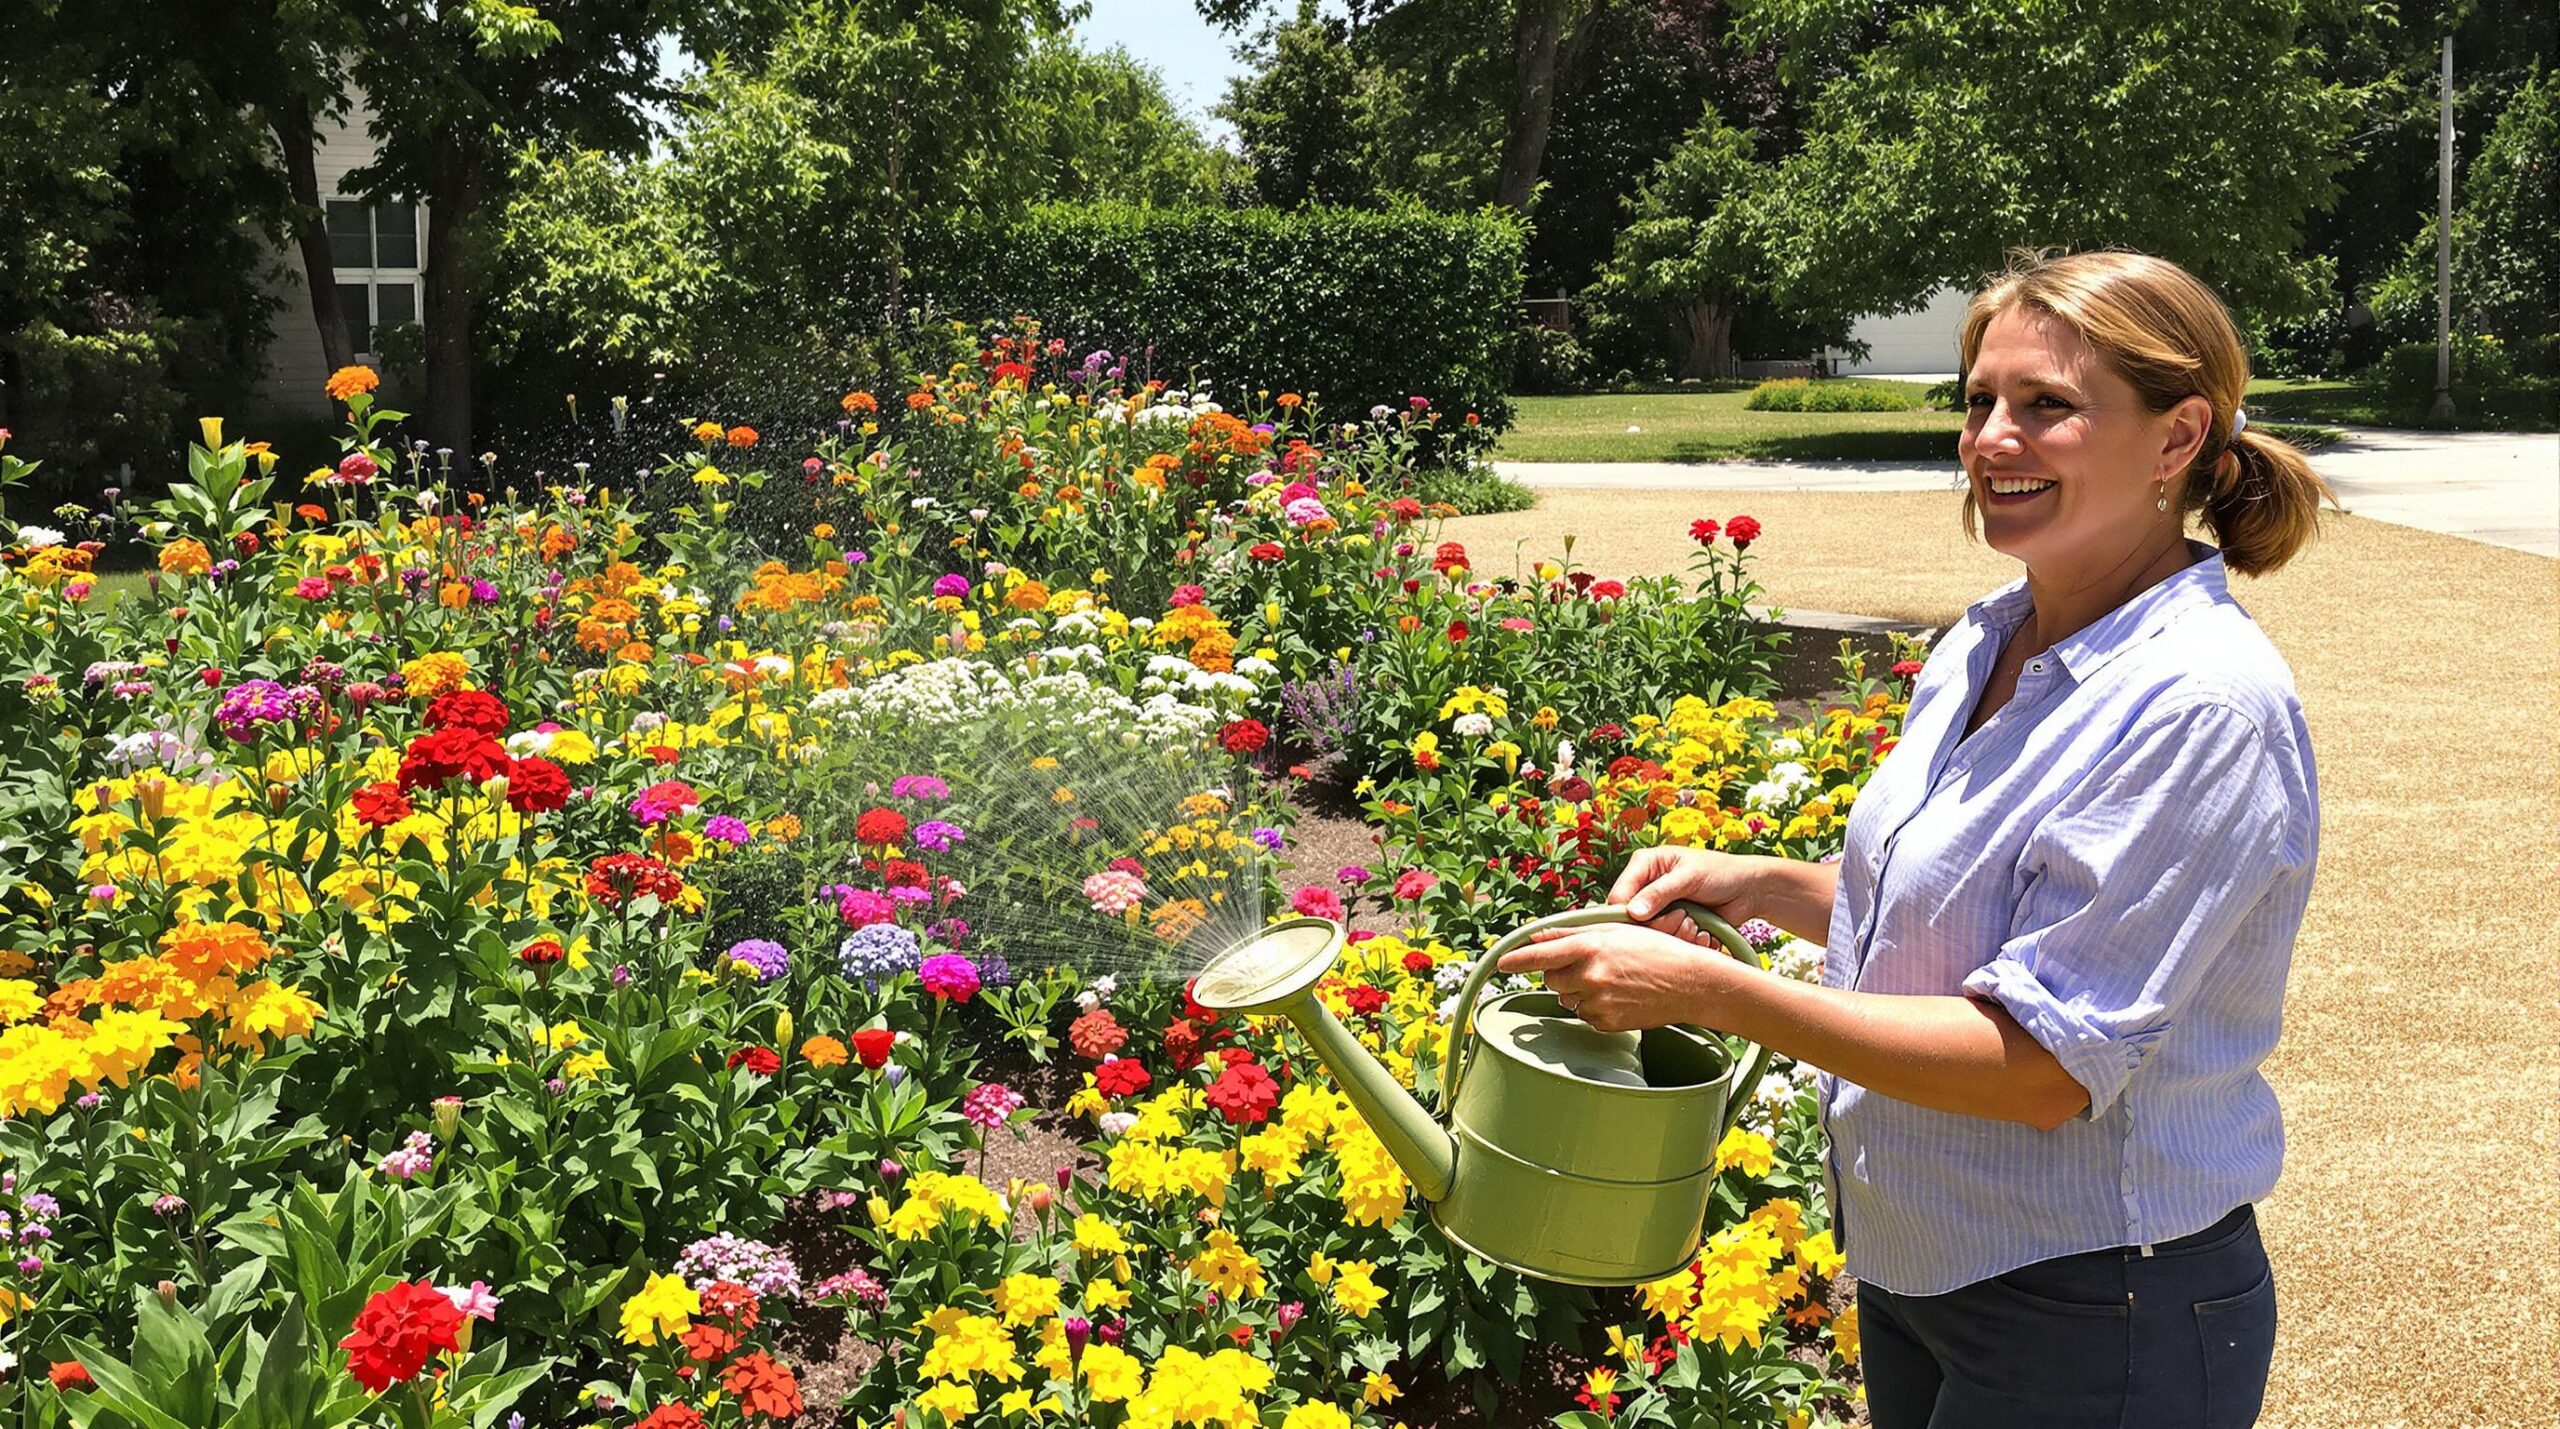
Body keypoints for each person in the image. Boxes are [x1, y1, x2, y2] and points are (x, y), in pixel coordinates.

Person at [1497, 249, 2334, 1429]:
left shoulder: (2198, 705)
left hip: (2098, 1305)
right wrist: (1754, 885)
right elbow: (1964, 915)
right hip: (1926, 1262)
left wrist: (1706, 991)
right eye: (1978, 401)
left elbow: (2043, 1066)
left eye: (2047, 406)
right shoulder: (1990, 638)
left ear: (2176, 436)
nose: (1992, 437)